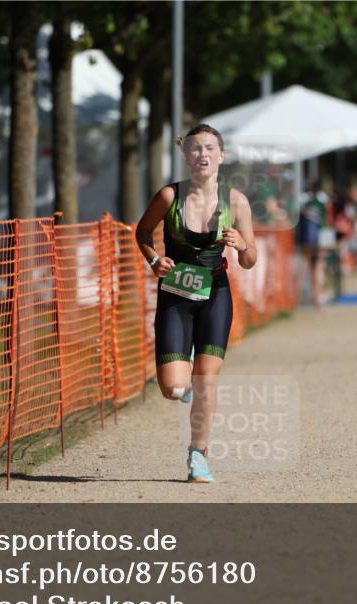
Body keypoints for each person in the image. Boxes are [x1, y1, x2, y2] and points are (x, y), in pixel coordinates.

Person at [134, 124, 256, 483]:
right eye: (195, 149)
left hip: (215, 295)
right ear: (186, 156)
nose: (202, 154)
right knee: (173, 389)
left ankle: (198, 455)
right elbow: (142, 232)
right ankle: (183, 381)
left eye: (209, 148)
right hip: (175, 295)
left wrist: (242, 245)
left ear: (221, 156)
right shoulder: (170, 197)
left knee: (207, 382)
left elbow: (250, 261)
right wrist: (155, 260)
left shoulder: (236, 202)